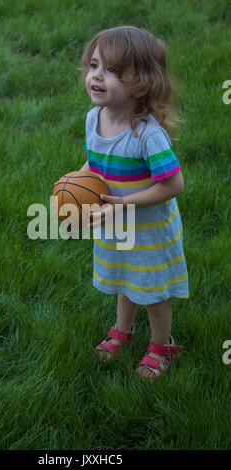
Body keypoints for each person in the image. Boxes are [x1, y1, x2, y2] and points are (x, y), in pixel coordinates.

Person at [79, 26, 189, 380]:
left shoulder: (147, 133)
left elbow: (173, 183)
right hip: (116, 224)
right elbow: (94, 163)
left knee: (153, 291)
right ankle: (122, 332)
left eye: (111, 70)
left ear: (141, 81)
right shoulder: (93, 119)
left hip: (149, 230)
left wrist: (124, 205)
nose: (96, 75)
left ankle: (162, 345)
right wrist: (77, 185)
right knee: (124, 280)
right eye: (94, 65)